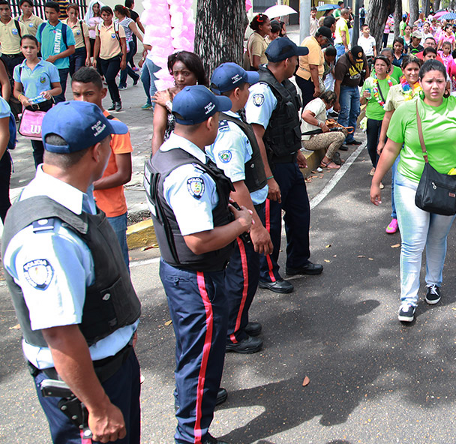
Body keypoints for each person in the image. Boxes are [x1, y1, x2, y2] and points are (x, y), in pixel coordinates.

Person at [1, 100, 140, 443]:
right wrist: (98, 407)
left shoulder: (67, 198)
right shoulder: (48, 235)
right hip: (87, 385)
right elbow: (60, 335)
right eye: (109, 144)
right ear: (96, 152)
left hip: (106, 369)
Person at [145, 85, 251, 444]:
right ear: (208, 122)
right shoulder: (186, 173)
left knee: (193, 349)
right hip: (197, 275)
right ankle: (192, 433)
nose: (220, 120)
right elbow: (198, 239)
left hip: (181, 272)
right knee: (201, 356)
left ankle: (191, 404)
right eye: (217, 116)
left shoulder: (168, 152)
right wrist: (241, 224)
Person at [369, 59, 456, 323]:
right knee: (413, 242)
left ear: (446, 83)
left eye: (439, 81)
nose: (434, 86)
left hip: (450, 184)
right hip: (411, 183)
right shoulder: (406, 111)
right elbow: (391, 149)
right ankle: (407, 300)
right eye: (429, 81)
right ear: (420, 83)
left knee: (437, 238)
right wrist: (376, 181)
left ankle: (433, 284)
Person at [246, 37, 323, 295]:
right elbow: (256, 136)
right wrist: (268, 179)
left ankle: (298, 261)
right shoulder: (263, 90)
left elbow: (286, 126)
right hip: (272, 168)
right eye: (296, 59)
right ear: (288, 61)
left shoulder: (284, 85)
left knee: (300, 213)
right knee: (270, 224)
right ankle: (266, 273)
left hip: (289, 161)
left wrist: (297, 152)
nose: (298, 62)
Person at [208, 62, 271, 354]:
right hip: (240, 215)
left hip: (244, 212)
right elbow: (236, 185)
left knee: (244, 275)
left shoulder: (230, 119)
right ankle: (232, 333)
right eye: (246, 86)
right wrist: (255, 227)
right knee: (241, 276)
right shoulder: (229, 132)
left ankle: (239, 321)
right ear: (237, 91)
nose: (250, 90)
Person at [70, 67, 132, 266]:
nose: (82, 100)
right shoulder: (71, 127)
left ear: (103, 93)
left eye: (89, 94)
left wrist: (86, 185)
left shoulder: (116, 127)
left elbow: (124, 174)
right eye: (77, 95)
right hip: (78, 209)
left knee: (116, 266)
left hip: (110, 212)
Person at [379, 56, 421, 235]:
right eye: (408, 69)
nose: (412, 73)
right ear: (402, 70)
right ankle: (396, 216)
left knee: (421, 182)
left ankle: (418, 215)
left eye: (416, 69)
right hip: (399, 144)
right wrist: (381, 141)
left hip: (421, 145)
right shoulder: (395, 90)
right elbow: (388, 116)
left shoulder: (427, 89)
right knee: (397, 181)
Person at [14, 35, 61, 168]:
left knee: (50, 143)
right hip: (30, 110)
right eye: (25, 47)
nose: (29, 50)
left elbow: (58, 88)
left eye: (32, 47)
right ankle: (39, 173)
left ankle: (54, 170)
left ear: (37, 48)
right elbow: (16, 90)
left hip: (46, 108)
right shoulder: (19, 69)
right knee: (37, 147)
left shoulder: (48, 67)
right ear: (20, 49)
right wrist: (22, 98)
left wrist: (49, 93)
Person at [151, 51, 206, 153]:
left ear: (196, 74)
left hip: (199, 152)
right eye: (176, 74)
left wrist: (169, 104)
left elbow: (193, 124)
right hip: (172, 154)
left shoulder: (204, 96)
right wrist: (157, 162)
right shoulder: (165, 96)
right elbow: (158, 133)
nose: (180, 79)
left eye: (186, 74)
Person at [35, 1, 73, 102]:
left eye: (51, 13)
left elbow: (71, 49)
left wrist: (55, 57)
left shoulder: (65, 29)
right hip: (44, 67)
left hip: (61, 67)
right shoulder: (42, 27)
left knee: (58, 96)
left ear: (58, 14)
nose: (49, 15)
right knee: (45, 95)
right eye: (46, 12)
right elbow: (38, 46)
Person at [362, 55, 392, 173]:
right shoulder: (368, 82)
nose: (379, 67)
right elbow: (362, 102)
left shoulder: (392, 82)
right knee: (371, 146)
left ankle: (378, 170)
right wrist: (364, 97)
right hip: (372, 117)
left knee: (382, 145)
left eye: (382, 65)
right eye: (377, 65)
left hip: (386, 118)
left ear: (387, 67)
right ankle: (375, 165)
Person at [93, 5, 125, 111]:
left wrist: (124, 59)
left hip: (114, 56)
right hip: (103, 57)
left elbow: (123, 43)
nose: (106, 17)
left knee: (110, 78)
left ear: (112, 15)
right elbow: (97, 43)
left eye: (108, 15)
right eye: (104, 15)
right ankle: (114, 101)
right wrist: (94, 58)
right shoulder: (99, 27)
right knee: (108, 80)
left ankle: (117, 100)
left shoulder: (117, 27)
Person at [302, 90, 345, 169]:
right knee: (340, 136)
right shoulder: (318, 104)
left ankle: (333, 157)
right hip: (309, 139)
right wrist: (321, 124)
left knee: (341, 130)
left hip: (314, 136)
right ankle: (326, 161)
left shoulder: (319, 103)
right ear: (331, 101)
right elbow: (305, 116)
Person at [333, 45, 366, 146]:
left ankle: (350, 137)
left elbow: (366, 68)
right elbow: (337, 83)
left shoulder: (361, 57)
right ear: (350, 54)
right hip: (345, 88)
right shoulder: (342, 63)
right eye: (355, 59)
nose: (357, 61)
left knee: (355, 112)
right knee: (345, 113)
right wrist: (336, 102)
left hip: (355, 87)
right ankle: (341, 139)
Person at [296, 26, 331, 108]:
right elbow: (313, 67)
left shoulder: (309, 39)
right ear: (320, 37)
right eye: (326, 40)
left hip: (303, 75)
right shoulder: (314, 45)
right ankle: (307, 120)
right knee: (310, 105)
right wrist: (317, 87)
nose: (326, 43)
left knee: (308, 103)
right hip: (308, 78)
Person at [113, 5, 141, 91]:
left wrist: (144, 42)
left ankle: (123, 83)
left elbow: (136, 32)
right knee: (122, 63)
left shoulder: (128, 21)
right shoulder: (116, 22)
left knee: (123, 63)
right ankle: (135, 76)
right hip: (120, 45)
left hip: (129, 44)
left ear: (118, 12)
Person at [65, 3, 91, 75]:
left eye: (75, 14)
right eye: (71, 13)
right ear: (67, 12)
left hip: (79, 50)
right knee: (72, 73)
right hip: (68, 51)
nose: (73, 16)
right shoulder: (63, 24)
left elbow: (87, 40)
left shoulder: (82, 24)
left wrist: (88, 56)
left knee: (78, 73)